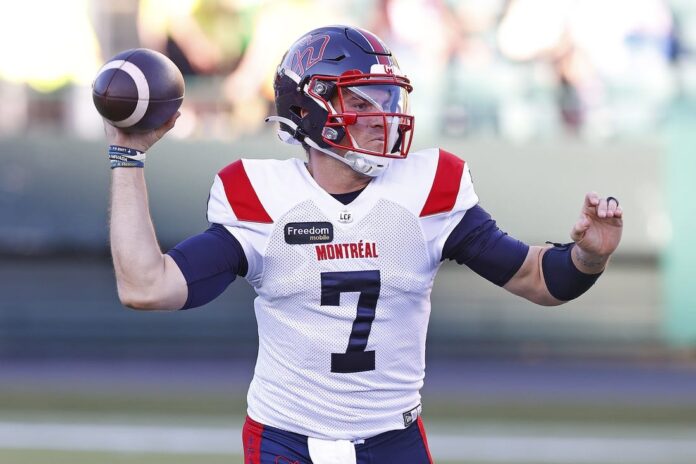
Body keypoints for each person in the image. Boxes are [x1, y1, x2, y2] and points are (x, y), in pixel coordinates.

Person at [104, 25, 623, 464]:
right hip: (285, 441)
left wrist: (588, 256)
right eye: (361, 100)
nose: (382, 115)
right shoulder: (261, 197)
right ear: (308, 108)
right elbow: (147, 287)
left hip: (393, 441)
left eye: (388, 97)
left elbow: (537, 278)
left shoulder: (428, 189)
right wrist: (127, 158)